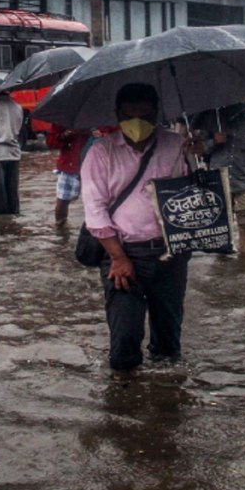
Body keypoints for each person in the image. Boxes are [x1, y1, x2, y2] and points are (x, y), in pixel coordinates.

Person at [81, 83, 193, 372]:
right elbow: (95, 211)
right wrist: (118, 258)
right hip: (122, 255)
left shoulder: (177, 145)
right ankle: (124, 392)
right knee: (124, 341)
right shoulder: (100, 153)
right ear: (118, 115)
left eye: (145, 115)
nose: (137, 123)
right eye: (129, 116)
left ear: (157, 113)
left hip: (170, 254)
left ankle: (166, 395)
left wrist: (199, 159)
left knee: (168, 344)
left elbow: (194, 197)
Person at [193, 102, 245, 256]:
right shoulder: (210, 119)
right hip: (218, 180)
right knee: (221, 227)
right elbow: (198, 151)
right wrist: (214, 141)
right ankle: (223, 260)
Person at [46, 124, 87, 226]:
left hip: (94, 165)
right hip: (69, 165)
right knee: (63, 199)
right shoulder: (63, 121)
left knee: (95, 201)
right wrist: (64, 135)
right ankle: (60, 227)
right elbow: (51, 143)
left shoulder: (99, 120)